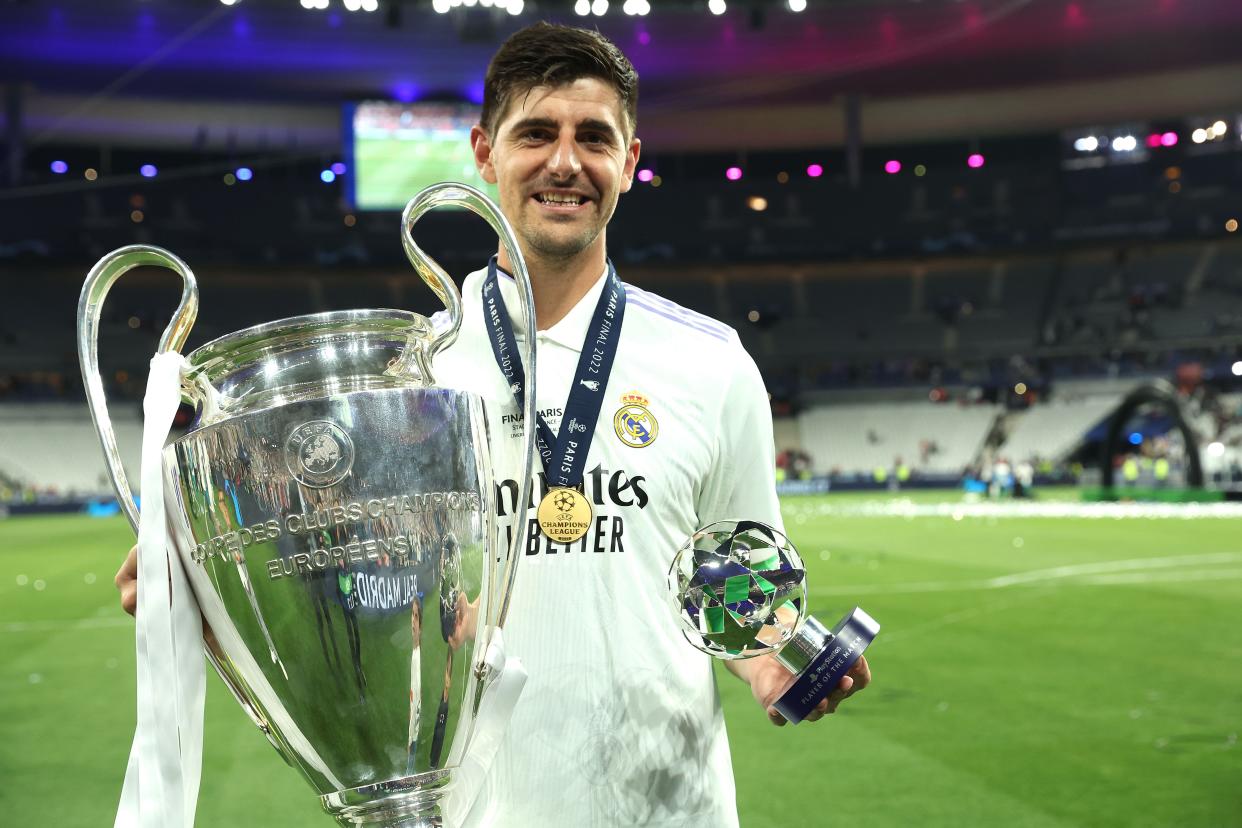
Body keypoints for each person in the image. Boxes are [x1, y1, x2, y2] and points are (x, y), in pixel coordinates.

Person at [115, 21, 870, 826]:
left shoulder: (711, 365)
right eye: (536, 133)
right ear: (484, 153)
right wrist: (206, 576)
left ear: (632, 161)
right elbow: (357, 588)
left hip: (666, 811)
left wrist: (771, 661)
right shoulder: (404, 378)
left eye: (595, 138)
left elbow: (740, 590)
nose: (565, 162)